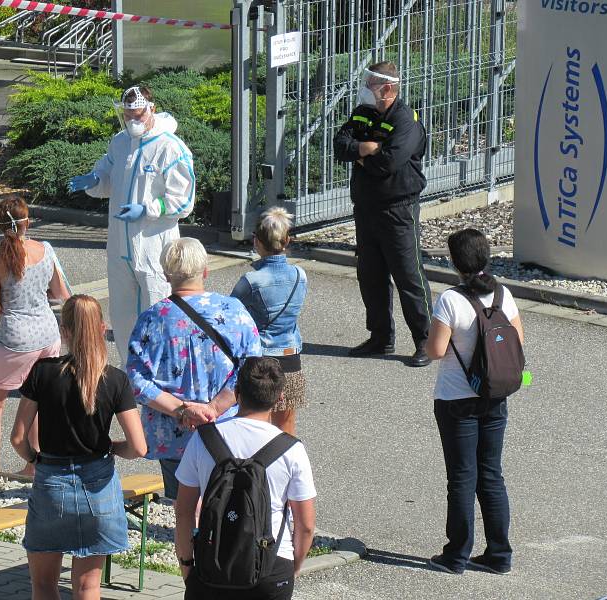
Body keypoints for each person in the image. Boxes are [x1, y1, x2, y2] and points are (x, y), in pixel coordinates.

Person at [11, 294, 147, 600]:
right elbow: (139, 447)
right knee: (87, 587)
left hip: (52, 480)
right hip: (98, 485)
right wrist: (112, 448)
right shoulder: (115, 380)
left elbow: (18, 437)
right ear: (102, 328)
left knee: (44, 585)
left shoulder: (43, 372)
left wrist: (36, 459)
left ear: (65, 330)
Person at [126, 237, 262, 503]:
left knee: (184, 509)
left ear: (166, 275)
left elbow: (137, 380)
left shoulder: (152, 318)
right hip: (226, 429)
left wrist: (181, 410)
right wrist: (212, 409)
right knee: (229, 508)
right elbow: (253, 367)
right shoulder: (234, 311)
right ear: (206, 270)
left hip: (172, 435)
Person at [68, 85, 195, 363]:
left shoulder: (170, 148)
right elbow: (107, 174)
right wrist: (95, 180)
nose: (132, 121)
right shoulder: (120, 142)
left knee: (157, 312)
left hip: (154, 247)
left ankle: (161, 377)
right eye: (127, 116)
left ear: (151, 108)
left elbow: (183, 201)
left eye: (137, 115)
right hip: (120, 248)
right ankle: (130, 378)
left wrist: (148, 209)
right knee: (122, 317)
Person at [175, 357, 317, 600]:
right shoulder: (291, 449)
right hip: (271, 567)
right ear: (280, 397)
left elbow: (184, 511)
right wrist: (291, 569)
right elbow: (305, 526)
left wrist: (187, 563)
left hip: (212, 563)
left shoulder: (203, 439)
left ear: (237, 393)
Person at [424, 228, 523, 575]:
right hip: (495, 397)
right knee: (491, 474)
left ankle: (456, 555)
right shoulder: (503, 294)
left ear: (455, 262)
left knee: (462, 478)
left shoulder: (451, 300)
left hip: (457, 400)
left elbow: (435, 351)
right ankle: (499, 554)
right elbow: (517, 341)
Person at [333, 61, 433, 367]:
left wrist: (361, 155)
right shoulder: (363, 113)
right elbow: (339, 146)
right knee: (371, 276)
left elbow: (387, 164)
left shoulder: (406, 121)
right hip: (365, 208)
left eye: (370, 84)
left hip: (398, 210)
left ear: (387, 88)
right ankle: (380, 338)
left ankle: (425, 341)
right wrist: (368, 147)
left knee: (408, 276)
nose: (365, 88)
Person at [0, 197, 70, 475]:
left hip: (14, 340)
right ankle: (34, 466)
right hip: (47, 335)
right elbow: (61, 294)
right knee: (37, 401)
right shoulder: (45, 250)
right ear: (27, 222)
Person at [231, 207, 308, 435]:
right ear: (287, 240)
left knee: (256, 427)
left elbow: (230, 314)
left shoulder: (252, 281)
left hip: (261, 358)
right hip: (291, 357)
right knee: (286, 428)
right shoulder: (300, 275)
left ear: (256, 241)